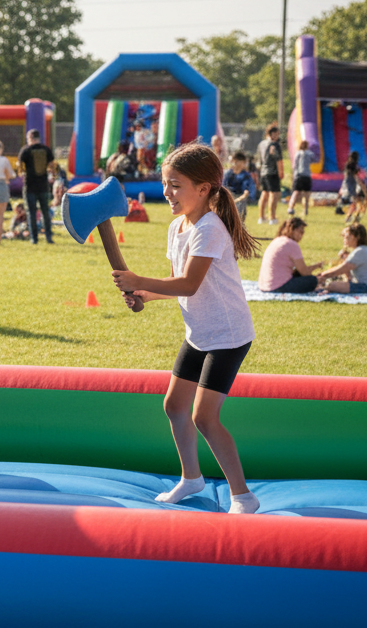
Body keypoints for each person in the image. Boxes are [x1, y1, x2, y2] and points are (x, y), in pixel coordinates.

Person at [110, 142, 261, 515]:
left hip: (227, 336)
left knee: (204, 417)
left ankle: (243, 496)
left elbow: (189, 284)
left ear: (204, 188)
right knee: (175, 405)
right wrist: (145, 294)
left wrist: (137, 279)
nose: (167, 192)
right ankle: (191, 478)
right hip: (200, 332)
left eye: (175, 185)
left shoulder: (209, 229)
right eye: (165, 183)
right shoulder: (177, 226)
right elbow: (177, 282)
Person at [258, 217, 323, 293]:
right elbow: (304, 272)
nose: (301, 235)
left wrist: (316, 266)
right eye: (300, 232)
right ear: (292, 230)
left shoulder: (277, 240)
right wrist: (317, 276)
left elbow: (298, 270)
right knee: (312, 280)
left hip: (264, 285)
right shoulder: (292, 244)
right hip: (278, 287)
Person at [317, 223, 367, 294]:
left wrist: (321, 275)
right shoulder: (363, 250)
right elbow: (348, 277)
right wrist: (345, 259)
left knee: (333, 285)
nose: (344, 239)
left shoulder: (360, 251)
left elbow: (339, 270)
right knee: (336, 285)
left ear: (357, 237)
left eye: (347, 237)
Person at [17, 129, 56, 245]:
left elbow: (19, 165)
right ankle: (49, 237)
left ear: (30, 138)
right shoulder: (46, 149)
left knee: (31, 213)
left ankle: (34, 238)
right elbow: (52, 165)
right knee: (45, 212)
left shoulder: (26, 150)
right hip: (43, 186)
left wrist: (22, 174)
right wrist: (52, 175)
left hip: (30, 186)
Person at [256, 122, 284, 225]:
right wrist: (281, 172)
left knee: (264, 193)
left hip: (263, 172)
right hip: (272, 173)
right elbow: (279, 160)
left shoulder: (261, 144)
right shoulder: (275, 145)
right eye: (277, 134)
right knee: (274, 194)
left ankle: (261, 217)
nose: (278, 136)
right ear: (272, 134)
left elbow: (259, 160)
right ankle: (272, 218)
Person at [222, 152, 256, 222]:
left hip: (240, 199)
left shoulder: (246, 176)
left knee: (239, 217)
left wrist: (239, 199)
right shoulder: (228, 174)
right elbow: (223, 187)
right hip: (228, 198)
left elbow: (247, 191)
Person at [286, 139, 313, 218]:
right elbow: (315, 160)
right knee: (306, 194)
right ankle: (305, 210)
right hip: (307, 175)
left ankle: (291, 207)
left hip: (299, 175)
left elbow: (295, 165)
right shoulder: (310, 154)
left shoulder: (297, 153)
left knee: (295, 192)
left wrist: (293, 175)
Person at [340, 151, 367, 224]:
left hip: (347, 186)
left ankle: (351, 216)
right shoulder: (354, 168)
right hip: (352, 186)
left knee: (355, 202)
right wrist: (364, 189)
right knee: (355, 203)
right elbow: (357, 179)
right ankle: (351, 216)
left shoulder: (347, 166)